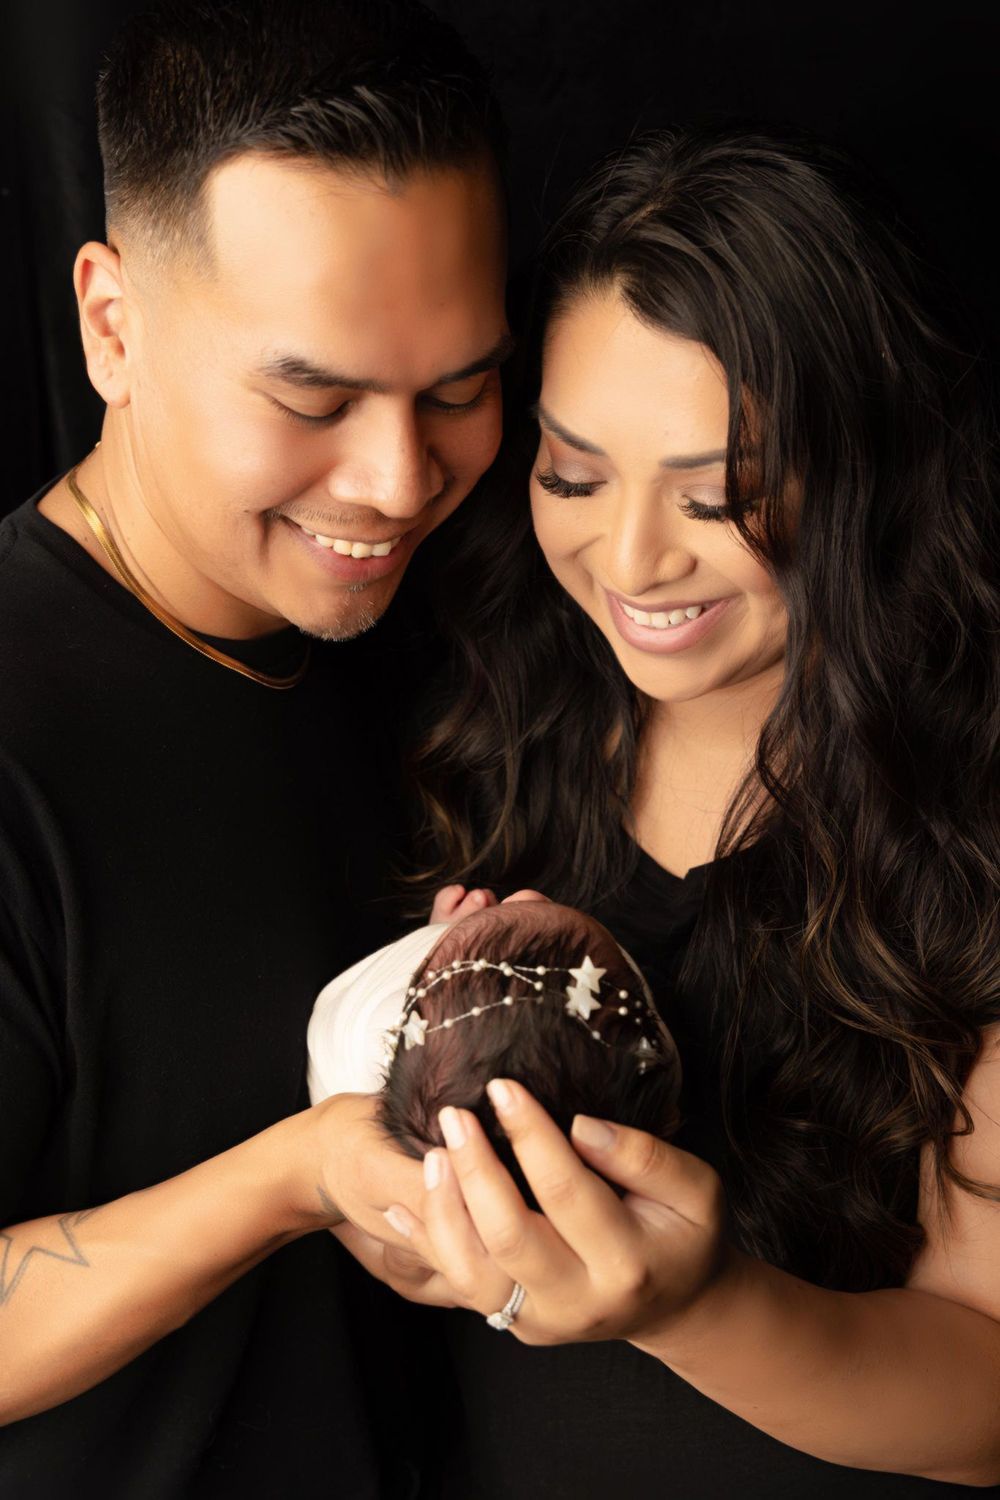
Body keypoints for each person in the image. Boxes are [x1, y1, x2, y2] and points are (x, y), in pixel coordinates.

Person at [346, 130, 1000, 1497]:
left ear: (867, 471)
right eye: (574, 476)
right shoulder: (492, 721)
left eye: (719, 495)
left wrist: (694, 1308)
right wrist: (415, 1170)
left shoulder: (964, 823)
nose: (631, 556)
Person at [0, 0, 507, 1493]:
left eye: (460, 388)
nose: (400, 480)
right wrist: (297, 1175)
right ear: (113, 327)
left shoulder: (443, 627)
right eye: (311, 395)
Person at [306, 891, 682, 1194]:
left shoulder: (366, 1033)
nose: (527, 894)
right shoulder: (646, 1064)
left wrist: (435, 937)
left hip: (348, 1057)